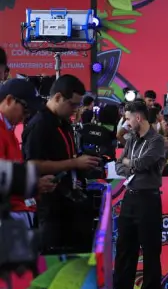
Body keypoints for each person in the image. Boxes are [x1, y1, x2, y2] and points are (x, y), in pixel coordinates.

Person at [22, 74, 101, 252]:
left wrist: (83, 163)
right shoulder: (40, 125)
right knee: (55, 258)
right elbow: (33, 164)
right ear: (58, 97)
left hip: (69, 203)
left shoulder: (63, 123)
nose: (75, 110)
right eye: (72, 104)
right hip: (50, 207)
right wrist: (74, 163)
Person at [114, 100, 166, 289]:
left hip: (149, 199)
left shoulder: (157, 140)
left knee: (151, 249)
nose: (126, 123)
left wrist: (131, 163)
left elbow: (143, 163)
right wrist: (131, 165)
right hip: (130, 197)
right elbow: (120, 165)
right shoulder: (131, 140)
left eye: (128, 119)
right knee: (125, 248)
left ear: (138, 118)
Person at [0, 79, 56, 228]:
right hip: (9, 217)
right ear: (9, 100)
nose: (25, 116)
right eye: (25, 110)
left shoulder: (8, 130)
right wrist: (31, 183)